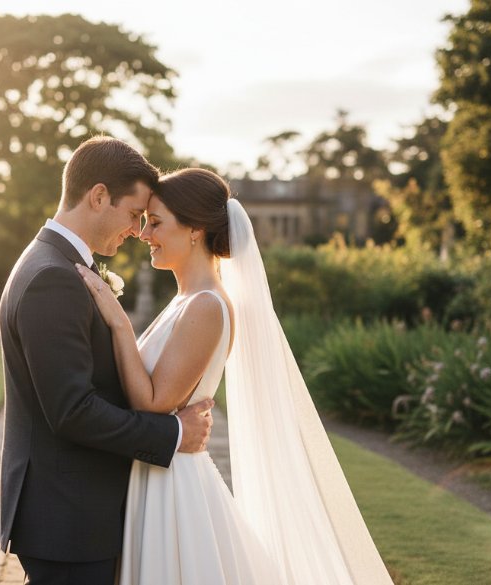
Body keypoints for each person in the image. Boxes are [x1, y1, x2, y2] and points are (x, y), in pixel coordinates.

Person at [76, 168, 395, 584]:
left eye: (155, 223)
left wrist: (118, 323)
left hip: (172, 488)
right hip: (155, 472)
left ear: (194, 230)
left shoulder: (207, 305)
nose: (143, 233)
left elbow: (153, 403)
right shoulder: (185, 300)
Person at [0, 137, 215, 585]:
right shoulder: (53, 278)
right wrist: (174, 433)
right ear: (98, 197)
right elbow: (72, 411)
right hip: (67, 516)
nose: (138, 230)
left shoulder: (58, 264)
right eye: (135, 215)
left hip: (71, 511)